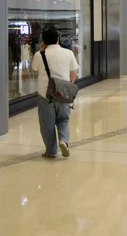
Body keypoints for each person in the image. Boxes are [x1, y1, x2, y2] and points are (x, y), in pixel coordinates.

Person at [31, 28, 79, 158]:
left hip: (44, 94)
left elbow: (34, 69)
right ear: (58, 39)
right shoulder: (68, 53)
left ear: (43, 41)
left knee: (47, 123)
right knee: (63, 119)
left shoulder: (39, 55)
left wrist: (41, 50)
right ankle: (63, 141)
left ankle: (51, 152)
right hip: (63, 93)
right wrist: (67, 85)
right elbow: (73, 73)